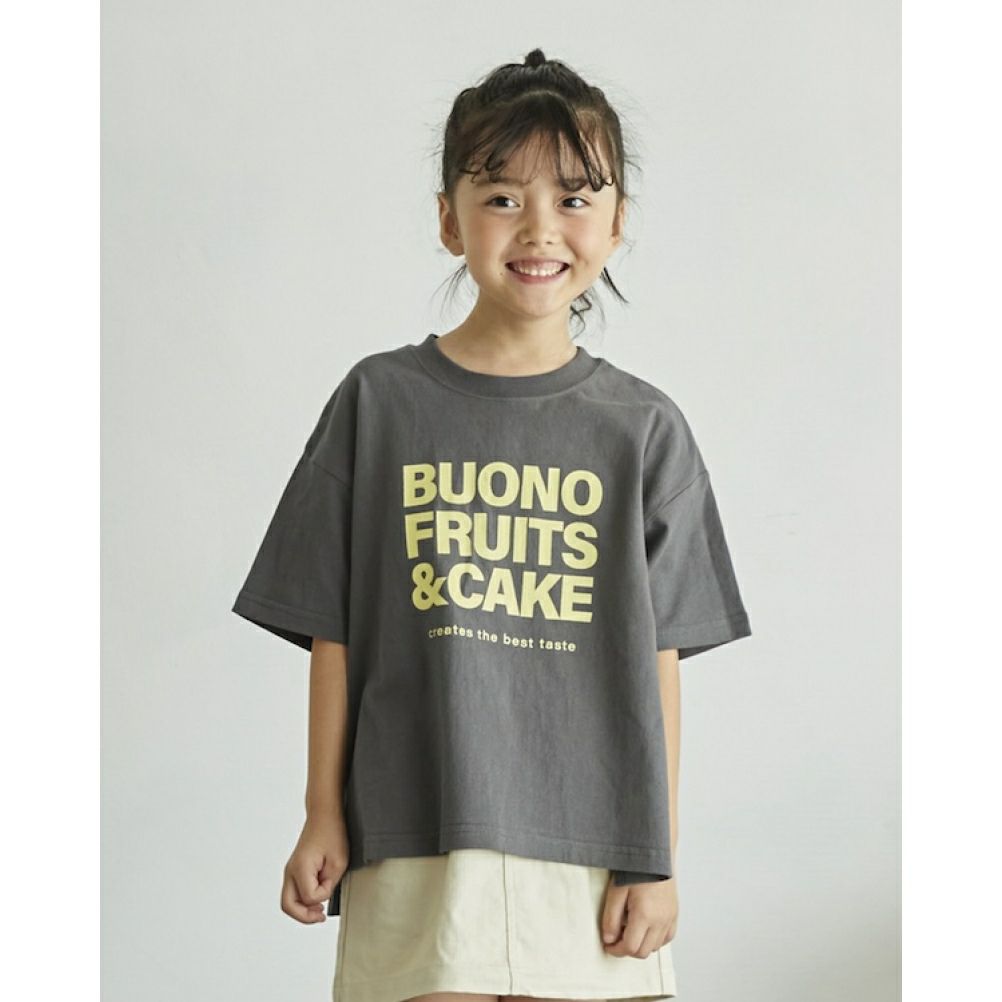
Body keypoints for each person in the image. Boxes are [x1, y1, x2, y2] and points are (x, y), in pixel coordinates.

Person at [232, 47, 752, 1002]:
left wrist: (656, 856)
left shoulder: (643, 429)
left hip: (592, 850)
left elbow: (660, 661)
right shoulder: (378, 403)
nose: (539, 227)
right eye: (503, 196)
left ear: (617, 223)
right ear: (449, 219)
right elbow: (333, 631)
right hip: (415, 829)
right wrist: (321, 812)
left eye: (574, 198)